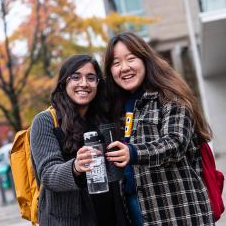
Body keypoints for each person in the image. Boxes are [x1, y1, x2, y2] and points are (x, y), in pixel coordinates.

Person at [104, 32, 215, 225]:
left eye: (131, 59)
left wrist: (133, 152)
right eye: (116, 63)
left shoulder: (170, 98)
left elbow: (175, 142)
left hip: (177, 211)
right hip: (135, 209)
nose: (124, 68)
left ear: (145, 60)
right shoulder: (115, 108)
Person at [30, 55, 128, 226]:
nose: (84, 83)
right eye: (75, 77)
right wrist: (75, 166)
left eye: (91, 78)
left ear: (98, 84)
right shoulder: (45, 121)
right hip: (68, 220)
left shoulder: (104, 120)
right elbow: (48, 174)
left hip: (111, 215)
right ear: (64, 82)